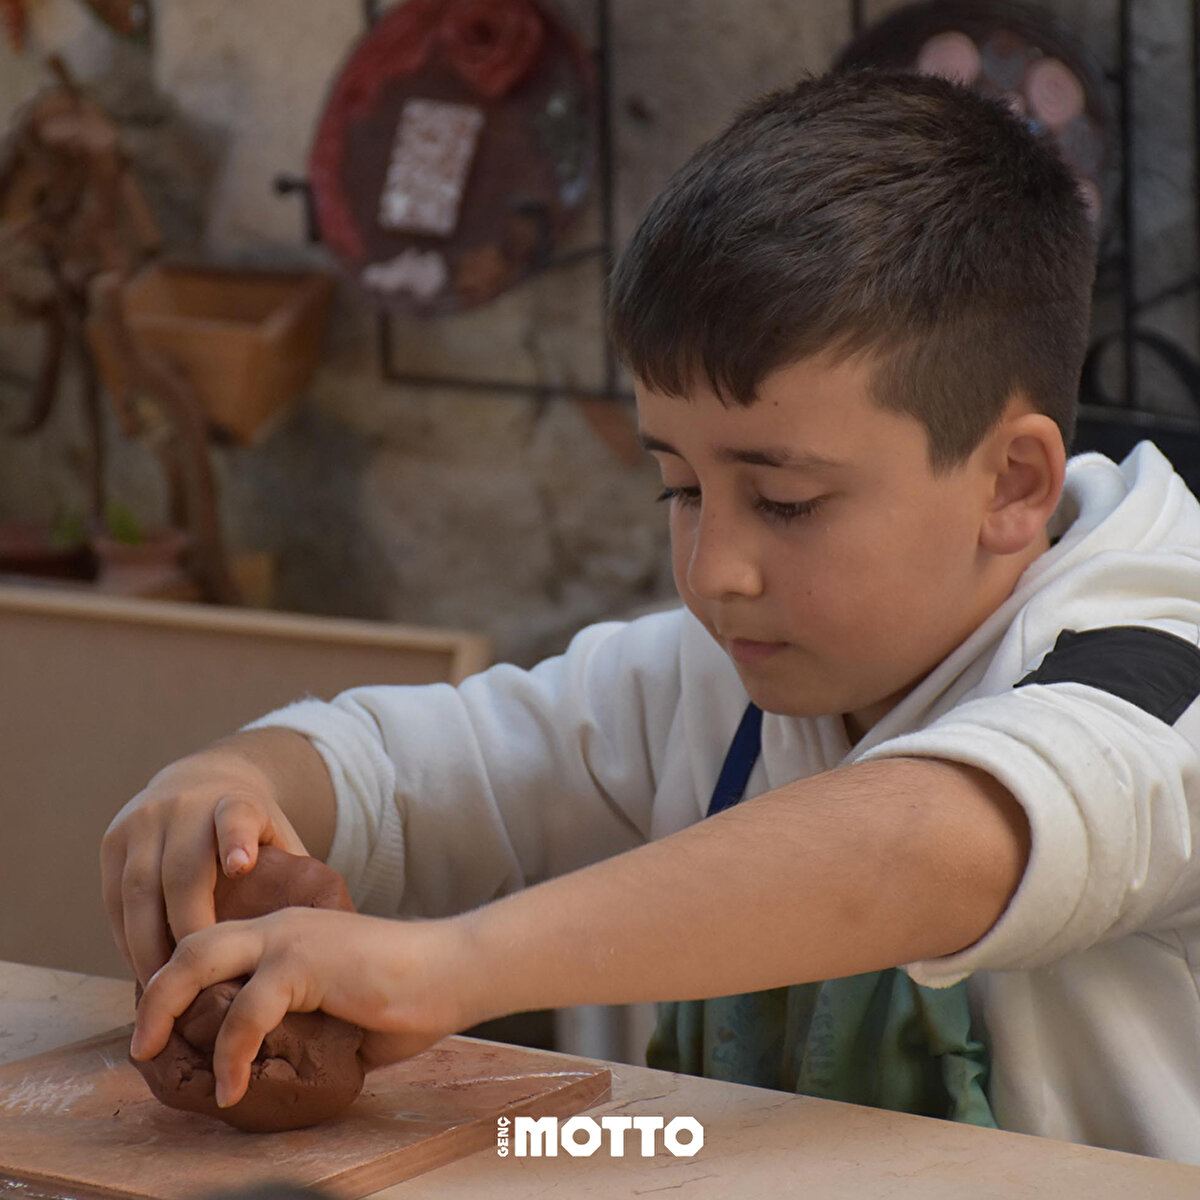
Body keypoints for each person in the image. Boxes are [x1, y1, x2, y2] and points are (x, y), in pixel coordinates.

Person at [103, 69, 1200, 1163]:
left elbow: (930, 842)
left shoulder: (1152, 670)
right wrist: (234, 791)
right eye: (679, 486)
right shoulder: (717, 674)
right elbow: (405, 769)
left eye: (786, 502)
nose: (714, 569)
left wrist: (448, 968)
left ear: (1012, 483)